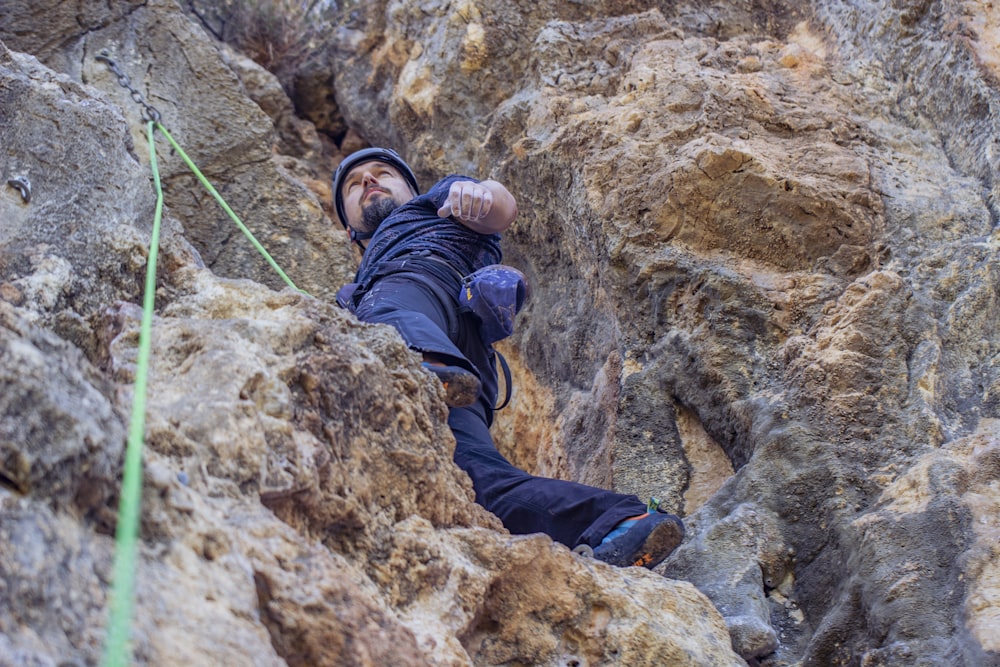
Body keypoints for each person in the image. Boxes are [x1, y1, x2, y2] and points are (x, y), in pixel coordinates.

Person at [333, 147, 684, 569]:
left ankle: (423, 364)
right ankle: (624, 521)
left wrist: (479, 193)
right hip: (464, 364)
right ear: (350, 232)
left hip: (425, 297)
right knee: (475, 480)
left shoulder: (438, 204)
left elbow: (498, 207)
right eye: (355, 185)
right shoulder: (362, 279)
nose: (369, 182)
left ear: (412, 189)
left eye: (382, 173)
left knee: (382, 312)